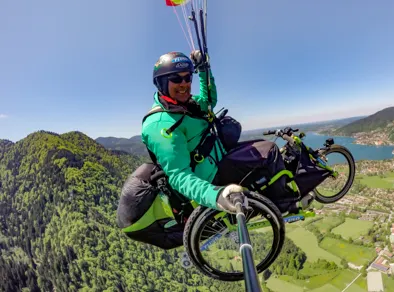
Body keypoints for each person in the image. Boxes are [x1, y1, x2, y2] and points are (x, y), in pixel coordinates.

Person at [117, 50, 320, 249]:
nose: (184, 83)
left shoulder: (186, 104)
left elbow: (208, 101)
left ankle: (276, 191)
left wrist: (204, 69)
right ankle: (284, 204)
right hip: (210, 176)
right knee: (269, 152)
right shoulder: (160, 125)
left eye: (188, 77)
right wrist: (216, 196)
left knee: (262, 148)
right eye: (176, 79)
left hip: (217, 157)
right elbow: (178, 176)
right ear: (162, 83)